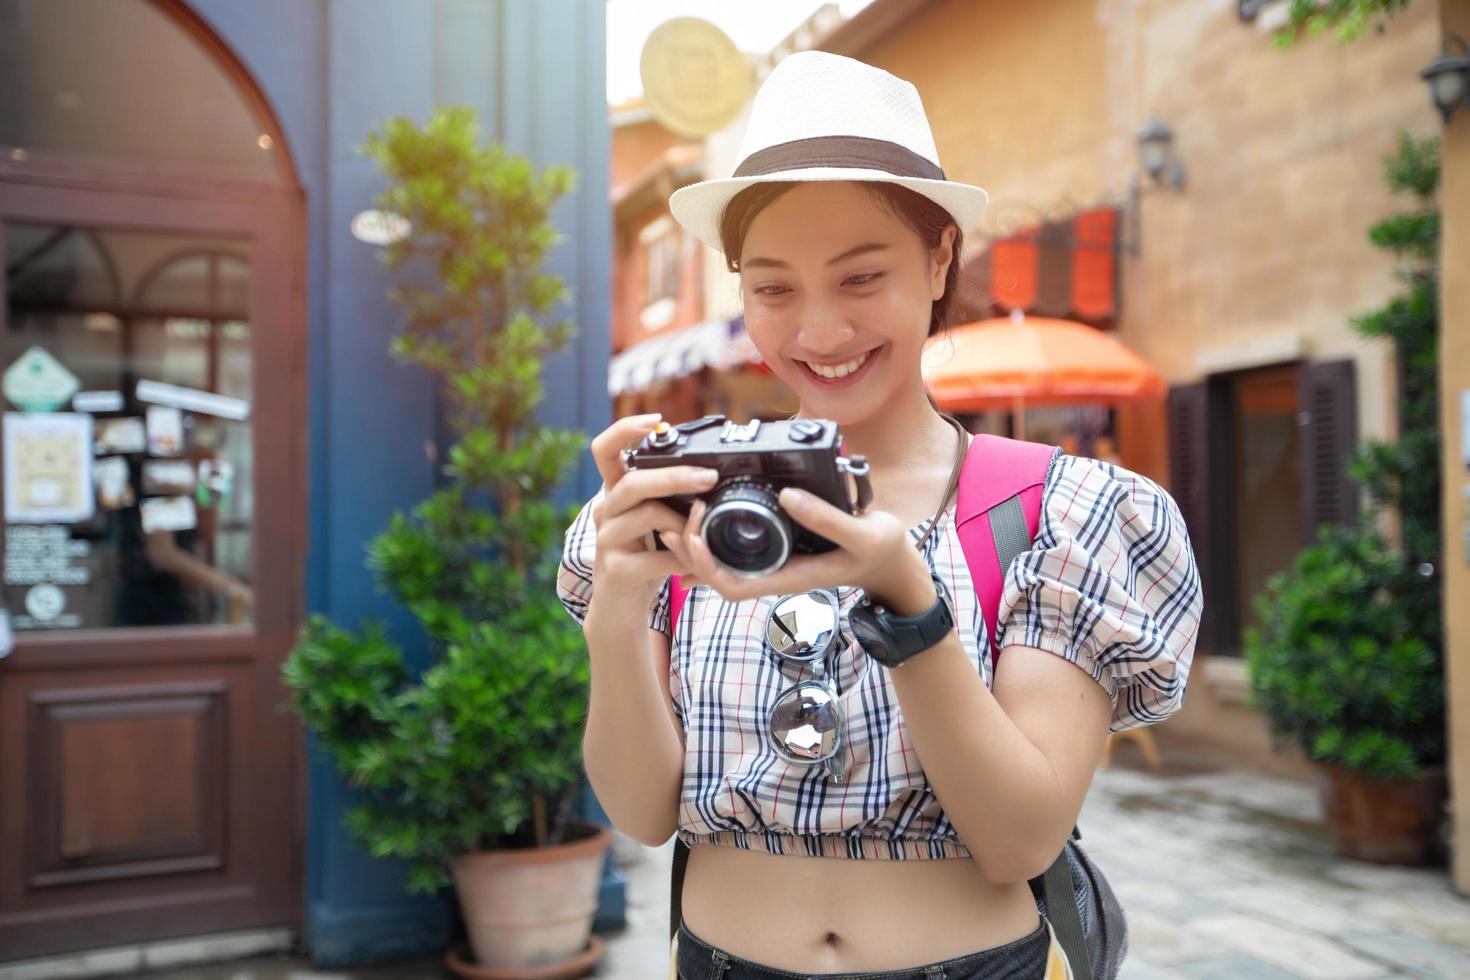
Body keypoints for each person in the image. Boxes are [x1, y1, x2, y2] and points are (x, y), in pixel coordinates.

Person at [558, 52, 1201, 980]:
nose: (818, 332)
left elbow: (1018, 841)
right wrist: (617, 612)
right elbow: (642, 812)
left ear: (939, 257)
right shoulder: (696, 507)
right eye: (774, 288)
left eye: (862, 278)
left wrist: (910, 601)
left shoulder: (1055, 515)